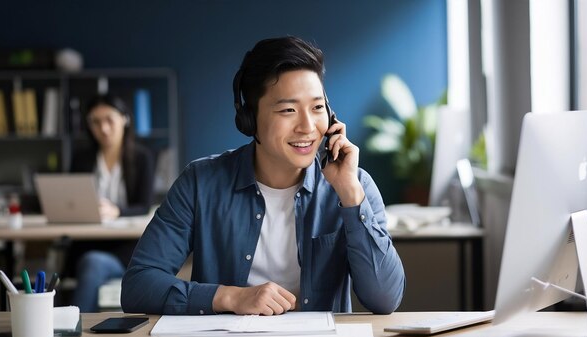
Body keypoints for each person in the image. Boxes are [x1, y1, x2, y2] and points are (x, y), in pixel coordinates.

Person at [121, 36, 405, 316]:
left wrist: (350, 195)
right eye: (288, 110)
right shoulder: (200, 182)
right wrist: (231, 297)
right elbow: (139, 285)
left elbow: (385, 299)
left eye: (317, 108)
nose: (307, 126)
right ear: (249, 118)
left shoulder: (355, 184)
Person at [68, 94, 155, 312]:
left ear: (124, 119)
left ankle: (74, 327)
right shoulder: (82, 158)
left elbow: (144, 205)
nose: (103, 129)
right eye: (95, 122)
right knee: (87, 261)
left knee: (92, 263)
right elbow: (72, 202)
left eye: (109, 120)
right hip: (87, 241)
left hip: (125, 248)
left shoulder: (142, 157)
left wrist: (116, 211)